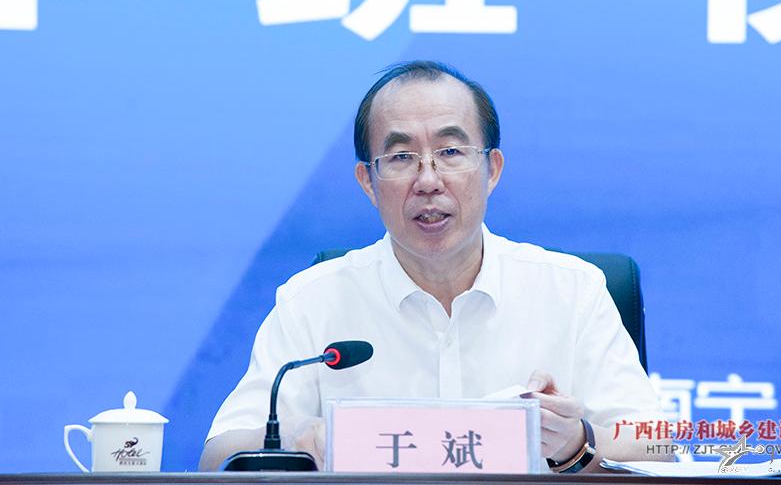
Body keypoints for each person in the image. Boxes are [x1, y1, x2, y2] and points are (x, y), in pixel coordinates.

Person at [199, 61, 669, 472]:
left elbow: (659, 445)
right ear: (368, 181)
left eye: (450, 152)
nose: (428, 180)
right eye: (401, 157)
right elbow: (218, 454)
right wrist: (298, 434)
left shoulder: (573, 291)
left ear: (492, 169)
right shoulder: (312, 301)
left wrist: (578, 442)